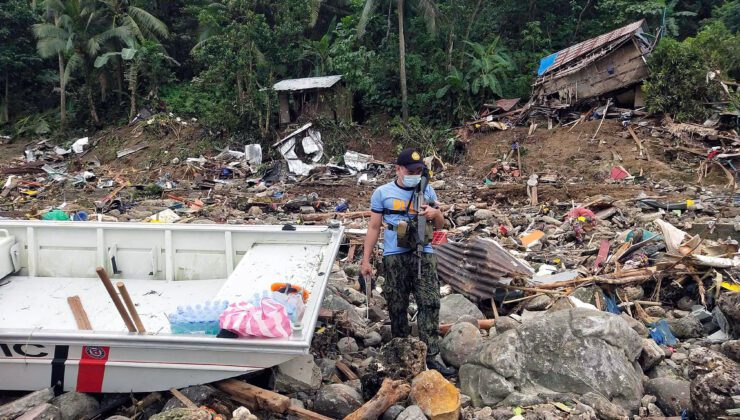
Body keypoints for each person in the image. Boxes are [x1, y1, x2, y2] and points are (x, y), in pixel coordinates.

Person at [360, 147, 455, 376]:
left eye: (418, 170)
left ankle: (431, 355)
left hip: (424, 251)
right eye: (410, 170)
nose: (414, 174)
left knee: (429, 302)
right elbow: (373, 227)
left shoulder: (427, 190)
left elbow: (442, 224)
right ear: (398, 169)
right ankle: (402, 352)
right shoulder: (382, 193)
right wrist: (366, 261)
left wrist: (435, 215)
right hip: (394, 255)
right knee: (396, 303)